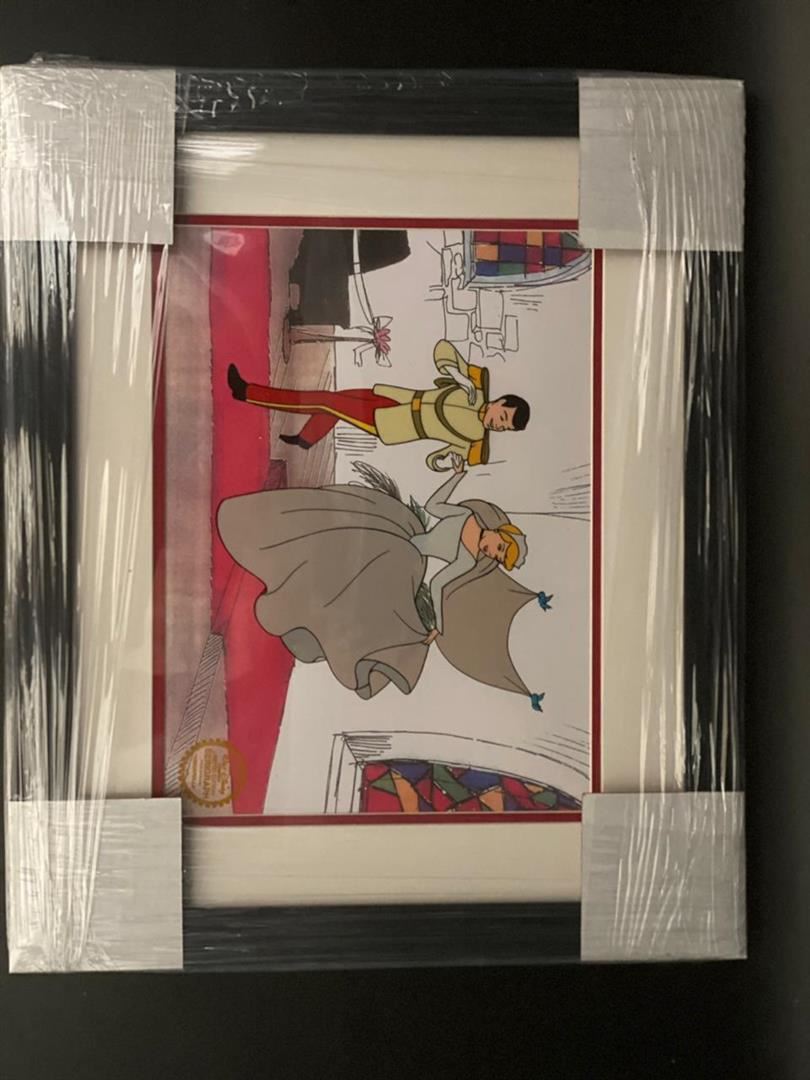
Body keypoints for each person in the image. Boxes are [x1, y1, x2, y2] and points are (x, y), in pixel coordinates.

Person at [217, 458, 545, 708]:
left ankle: (305, 624)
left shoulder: (468, 561)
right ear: (500, 532)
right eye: (500, 547)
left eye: (498, 556)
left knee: (359, 596)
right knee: (339, 555)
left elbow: (439, 585)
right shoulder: (465, 517)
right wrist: (456, 476)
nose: (493, 552)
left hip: (407, 562)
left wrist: (438, 627)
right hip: (403, 535)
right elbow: (433, 506)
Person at [226, 339, 530, 471]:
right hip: (394, 397)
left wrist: (446, 461)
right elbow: (442, 350)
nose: (498, 424)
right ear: (500, 402)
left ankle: (247, 392)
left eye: (504, 427)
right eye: (503, 416)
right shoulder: (475, 383)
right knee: (333, 400)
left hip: (392, 423)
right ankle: (307, 438)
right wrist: (461, 377)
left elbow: (434, 460)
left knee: (325, 401)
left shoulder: (475, 442)